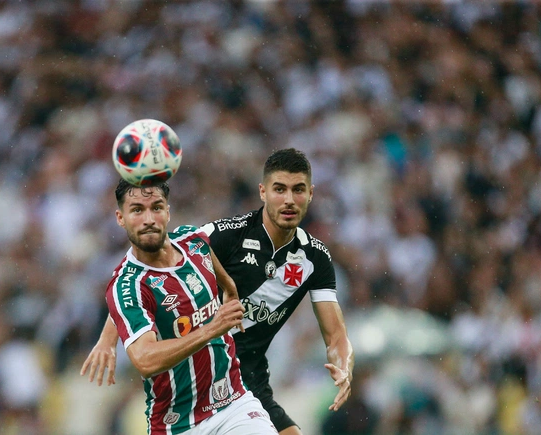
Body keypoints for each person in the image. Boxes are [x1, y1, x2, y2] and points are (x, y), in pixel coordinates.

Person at [83, 149, 353, 434]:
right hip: (178, 415)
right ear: (263, 192)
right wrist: (107, 339)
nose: (288, 200)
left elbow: (336, 336)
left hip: (238, 387)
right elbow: (137, 284)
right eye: (279, 189)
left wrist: (343, 366)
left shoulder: (316, 257)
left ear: (310, 194)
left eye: (297, 190)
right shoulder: (224, 234)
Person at [102, 179, 277, 435]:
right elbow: (144, 359)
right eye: (137, 210)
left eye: (157, 207)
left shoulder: (193, 240)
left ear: (168, 211)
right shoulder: (128, 286)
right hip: (176, 424)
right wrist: (211, 328)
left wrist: (230, 291)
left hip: (233, 405)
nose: (149, 218)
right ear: (121, 217)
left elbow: (219, 272)